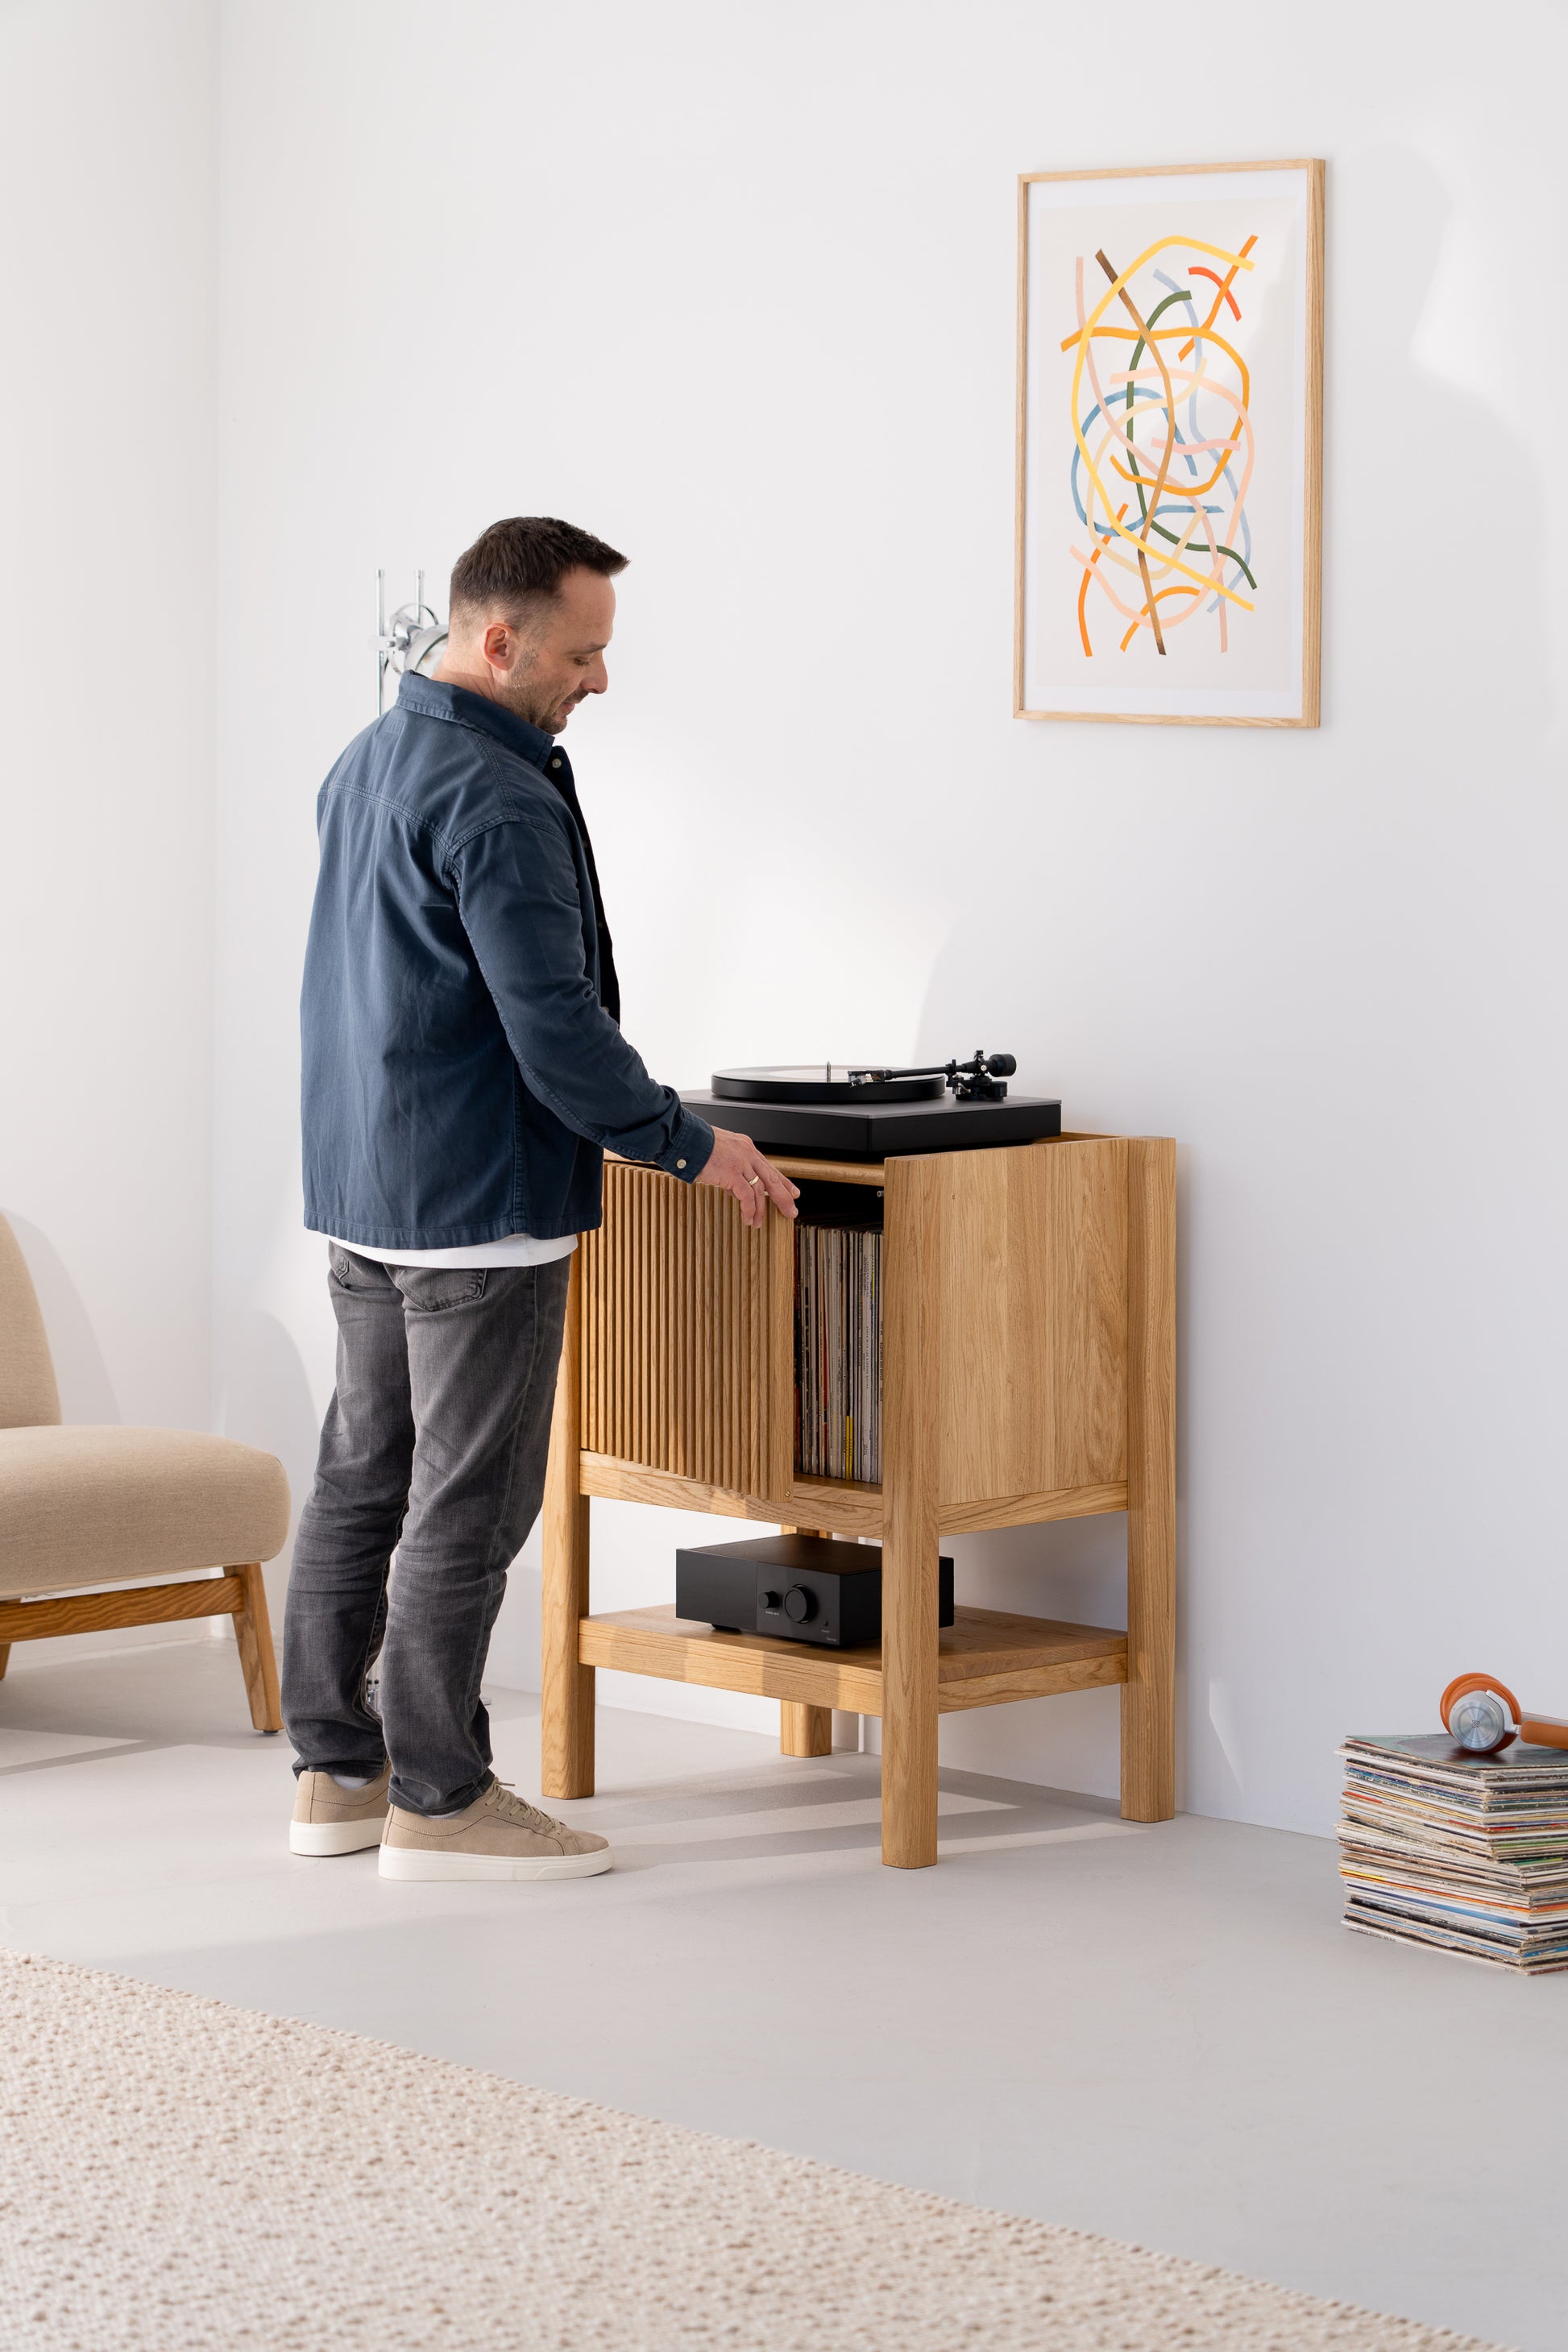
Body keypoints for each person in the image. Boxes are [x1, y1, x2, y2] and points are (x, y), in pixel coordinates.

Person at [283, 516, 798, 1885]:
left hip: (363, 1186)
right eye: (582, 654)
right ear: (497, 641)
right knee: (466, 1505)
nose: (600, 682)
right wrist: (689, 1143)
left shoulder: (369, 756)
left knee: (359, 1481)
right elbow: (554, 1032)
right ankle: (442, 1801)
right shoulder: (498, 795)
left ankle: (337, 1771)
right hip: (477, 1199)